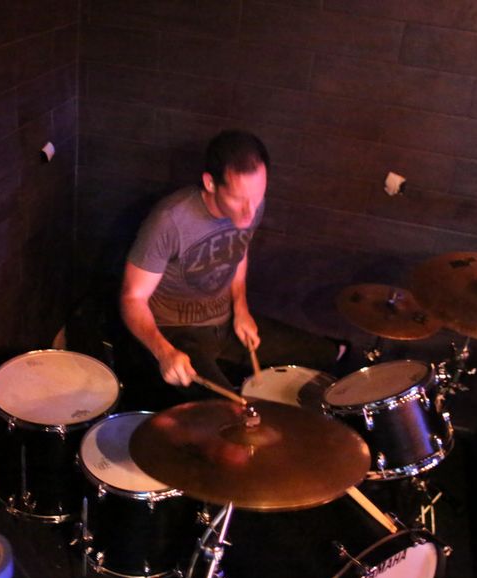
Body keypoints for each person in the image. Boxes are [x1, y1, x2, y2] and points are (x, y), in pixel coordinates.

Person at [120, 130, 342, 400]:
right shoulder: (170, 220)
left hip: (226, 325)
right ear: (210, 183)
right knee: (230, 416)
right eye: (238, 199)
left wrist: (241, 308)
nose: (250, 211)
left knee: (327, 353)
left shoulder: (252, 205)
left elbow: (238, 253)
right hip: (176, 333)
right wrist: (163, 352)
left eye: (258, 197)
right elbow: (132, 298)